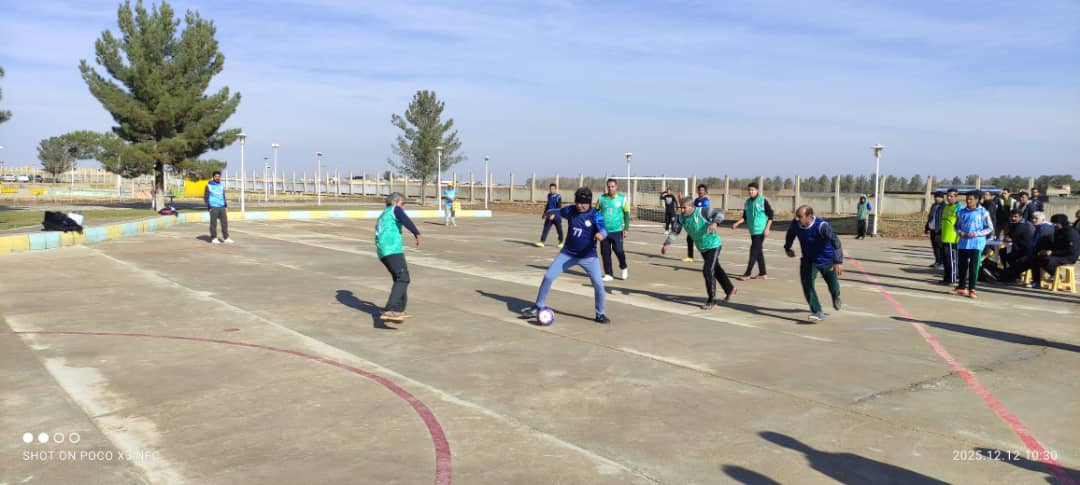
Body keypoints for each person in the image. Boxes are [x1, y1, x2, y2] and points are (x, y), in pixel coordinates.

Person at [523, 187, 611, 324]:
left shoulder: (595, 215)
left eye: (583, 203)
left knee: (599, 285)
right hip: (567, 254)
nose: (579, 205)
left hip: (588, 257)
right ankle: (538, 305)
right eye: (577, 202)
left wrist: (601, 234)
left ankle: (600, 313)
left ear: (589, 202)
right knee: (548, 276)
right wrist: (549, 213)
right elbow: (558, 211)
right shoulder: (570, 210)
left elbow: (604, 229)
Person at [663, 197, 736, 309]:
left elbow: (720, 213)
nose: (682, 210)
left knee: (708, 270)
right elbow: (675, 230)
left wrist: (715, 223)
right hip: (702, 247)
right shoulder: (681, 217)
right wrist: (667, 243)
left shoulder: (702, 211)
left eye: (684, 208)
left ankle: (712, 300)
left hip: (713, 245)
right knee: (716, 269)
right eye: (681, 208)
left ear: (692, 207)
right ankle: (730, 289)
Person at [784, 205, 843, 322]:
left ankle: (835, 295)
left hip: (827, 259)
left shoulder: (822, 226)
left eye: (800, 216)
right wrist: (787, 247)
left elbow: (836, 242)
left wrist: (838, 261)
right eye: (796, 216)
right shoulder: (795, 224)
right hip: (809, 259)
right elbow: (791, 233)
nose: (797, 219)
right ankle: (817, 311)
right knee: (807, 283)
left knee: (833, 284)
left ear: (809, 216)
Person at [375, 192, 421, 321]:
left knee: (399, 278)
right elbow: (405, 219)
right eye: (402, 203)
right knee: (403, 278)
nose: (403, 207)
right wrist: (416, 233)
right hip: (392, 249)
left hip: (383, 251)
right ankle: (391, 309)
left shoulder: (384, 214)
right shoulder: (395, 209)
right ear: (394, 202)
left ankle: (398, 310)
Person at [949, 192, 993, 298]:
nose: (968, 201)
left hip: (976, 244)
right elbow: (956, 226)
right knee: (962, 266)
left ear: (977, 200)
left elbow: (990, 228)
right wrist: (960, 232)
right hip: (963, 243)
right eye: (967, 199)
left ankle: (972, 289)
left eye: (971, 199)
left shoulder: (983, 212)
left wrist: (976, 233)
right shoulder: (961, 212)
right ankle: (961, 287)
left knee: (973, 267)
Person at [732, 182, 774, 280]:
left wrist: (767, 228)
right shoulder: (747, 202)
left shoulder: (763, 201)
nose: (750, 191)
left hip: (761, 231)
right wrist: (737, 223)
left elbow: (771, 215)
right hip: (753, 231)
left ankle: (747, 274)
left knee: (753, 251)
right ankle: (763, 273)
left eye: (752, 190)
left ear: (757, 190)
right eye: (749, 190)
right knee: (758, 251)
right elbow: (745, 217)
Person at [597, 179, 631, 281]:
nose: (610, 188)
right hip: (604, 231)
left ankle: (623, 267)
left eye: (612, 186)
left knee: (619, 250)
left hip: (617, 230)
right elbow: (595, 212)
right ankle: (609, 274)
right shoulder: (601, 199)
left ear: (616, 187)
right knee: (605, 252)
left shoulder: (622, 199)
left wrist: (626, 228)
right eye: (609, 186)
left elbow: (626, 214)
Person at [1034, 214, 1079, 288]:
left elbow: (1071, 250)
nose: (1054, 225)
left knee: (1047, 261)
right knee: (1036, 258)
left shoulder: (1070, 232)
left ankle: (1056, 275)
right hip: (1058, 254)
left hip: (1069, 257)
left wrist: (1052, 252)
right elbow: (1056, 245)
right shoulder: (1058, 231)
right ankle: (1037, 282)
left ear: (1061, 223)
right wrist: (1046, 251)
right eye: (1053, 223)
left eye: (1056, 223)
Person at [998, 210, 1034, 282]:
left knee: (1006, 254)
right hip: (1018, 247)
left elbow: (1011, 236)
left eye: (1015, 217)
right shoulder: (1019, 223)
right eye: (1011, 216)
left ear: (1020, 217)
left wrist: (1008, 236)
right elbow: (1009, 235)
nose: (1013, 218)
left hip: (1025, 250)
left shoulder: (1022, 225)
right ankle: (1009, 273)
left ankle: (1011, 274)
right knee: (1003, 251)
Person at [939, 189, 963, 285]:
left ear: (956, 197)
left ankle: (952, 279)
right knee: (945, 260)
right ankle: (946, 277)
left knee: (952, 260)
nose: (948, 198)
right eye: (947, 196)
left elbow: (961, 223)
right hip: (944, 237)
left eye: (951, 196)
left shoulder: (959, 208)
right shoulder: (946, 207)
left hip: (953, 239)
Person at [204, 170, 234, 244]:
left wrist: (225, 206)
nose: (217, 178)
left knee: (224, 223)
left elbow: (223, 196)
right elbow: (206, 197)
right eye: (216, 176)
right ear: (213, 177)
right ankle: (214, 238)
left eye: (219, 176)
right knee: (213, 224)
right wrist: (209, 207)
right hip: (213, 207)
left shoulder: (221, 185)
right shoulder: (209, 186)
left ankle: (226, 238)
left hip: (222, 207)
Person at [683, 184, 710, 262]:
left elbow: (705, 212)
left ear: (705, 191)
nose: (700, 191)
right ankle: (690, 257)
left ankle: (709, 257)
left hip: (702, 224)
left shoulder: (706, 201)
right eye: (699, 190)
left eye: (702, 190)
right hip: (694, 223)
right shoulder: (696, 200)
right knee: (689, 238)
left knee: (703, 241)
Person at [536, 183, 564, 248]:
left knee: (559, 230)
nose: (551, 190)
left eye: (553, 189)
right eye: (550, 189)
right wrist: (544, 214)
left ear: (555, 189)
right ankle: (542, 242)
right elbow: (548, 205)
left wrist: (554, 214)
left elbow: (559, 207)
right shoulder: (549, 195)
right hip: (549, 216)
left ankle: (561, 242)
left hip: (556, 217)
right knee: (545, 229)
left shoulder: (558, 197)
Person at [925, 191, 945, 268]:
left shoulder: (944, 207)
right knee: (935, 246)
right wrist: (927, 227)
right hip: (932, 229)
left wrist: (940, 229)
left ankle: (942, 262)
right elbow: (930, 217)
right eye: (935, 197)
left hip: (939, 230)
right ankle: (937, 261)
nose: (937, 198)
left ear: (942, 198)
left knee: (940, 246)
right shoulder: (933, 206)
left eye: (939, 197)